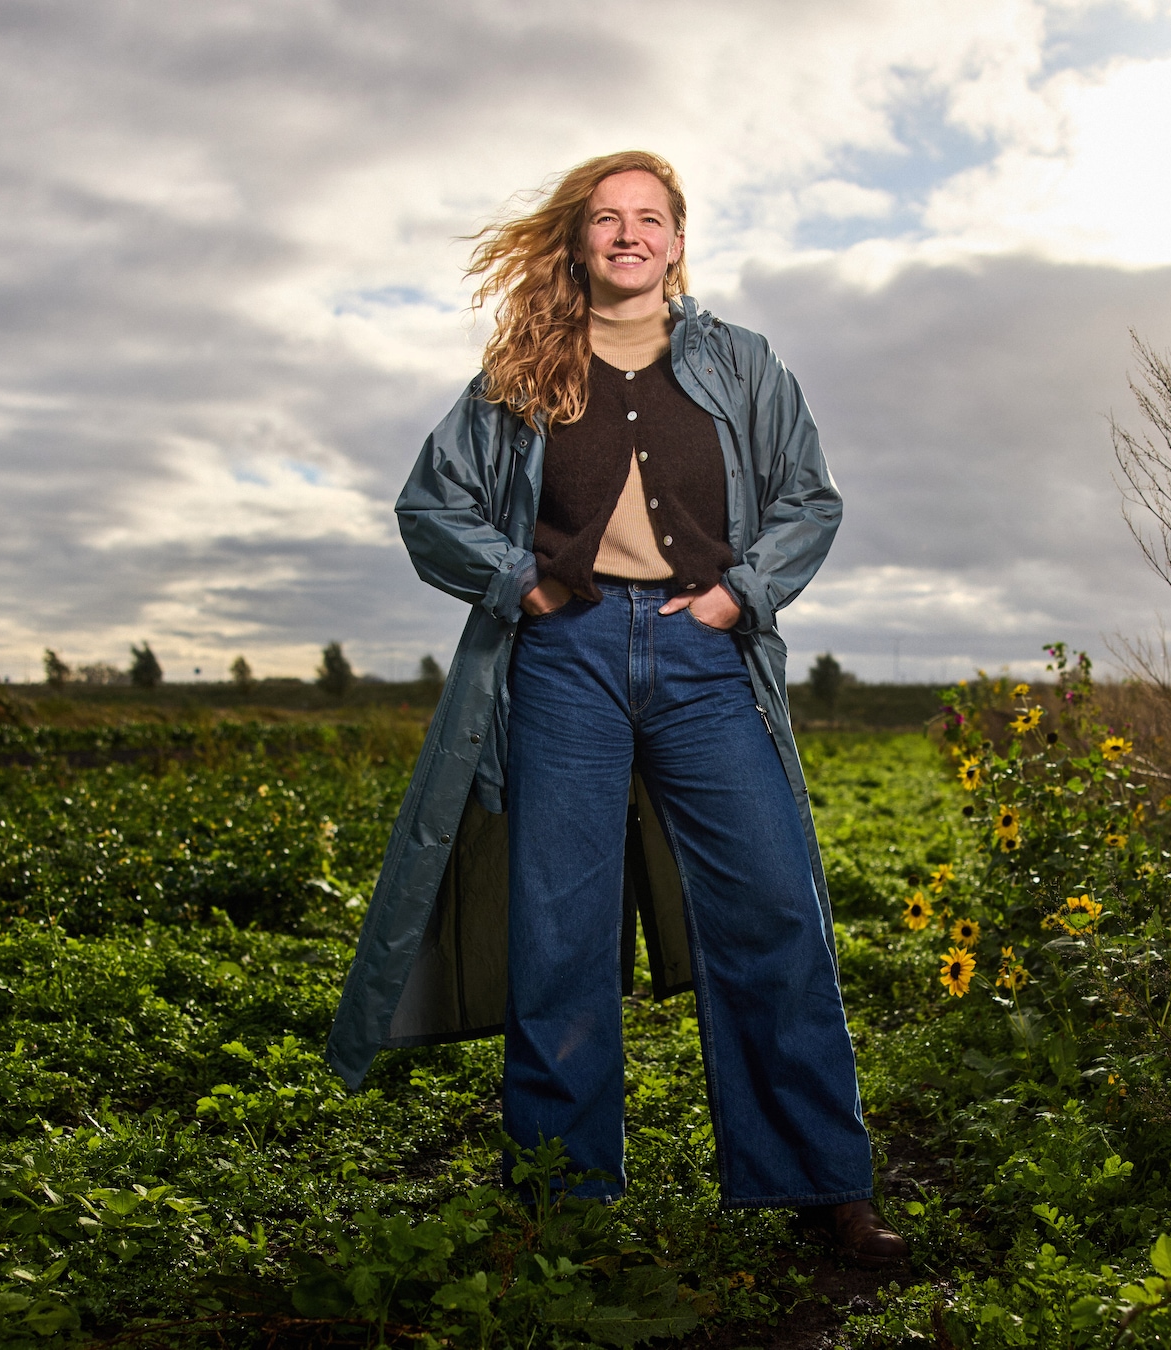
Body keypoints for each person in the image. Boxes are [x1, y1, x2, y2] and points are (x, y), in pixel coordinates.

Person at [324, 150, 905, 1266]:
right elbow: (430, 504)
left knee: (776, 910)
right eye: (608, 218)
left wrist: (742, 592)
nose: (629, 234)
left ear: (679, 241)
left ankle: (824, 1185)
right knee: (559, 932)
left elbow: (807, 499)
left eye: (651, 218)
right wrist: (518, 582)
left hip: (703, 664)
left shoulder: (742, 364)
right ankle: (560, 1200)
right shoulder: (523, 368)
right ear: (581, 238)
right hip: (565, 663)